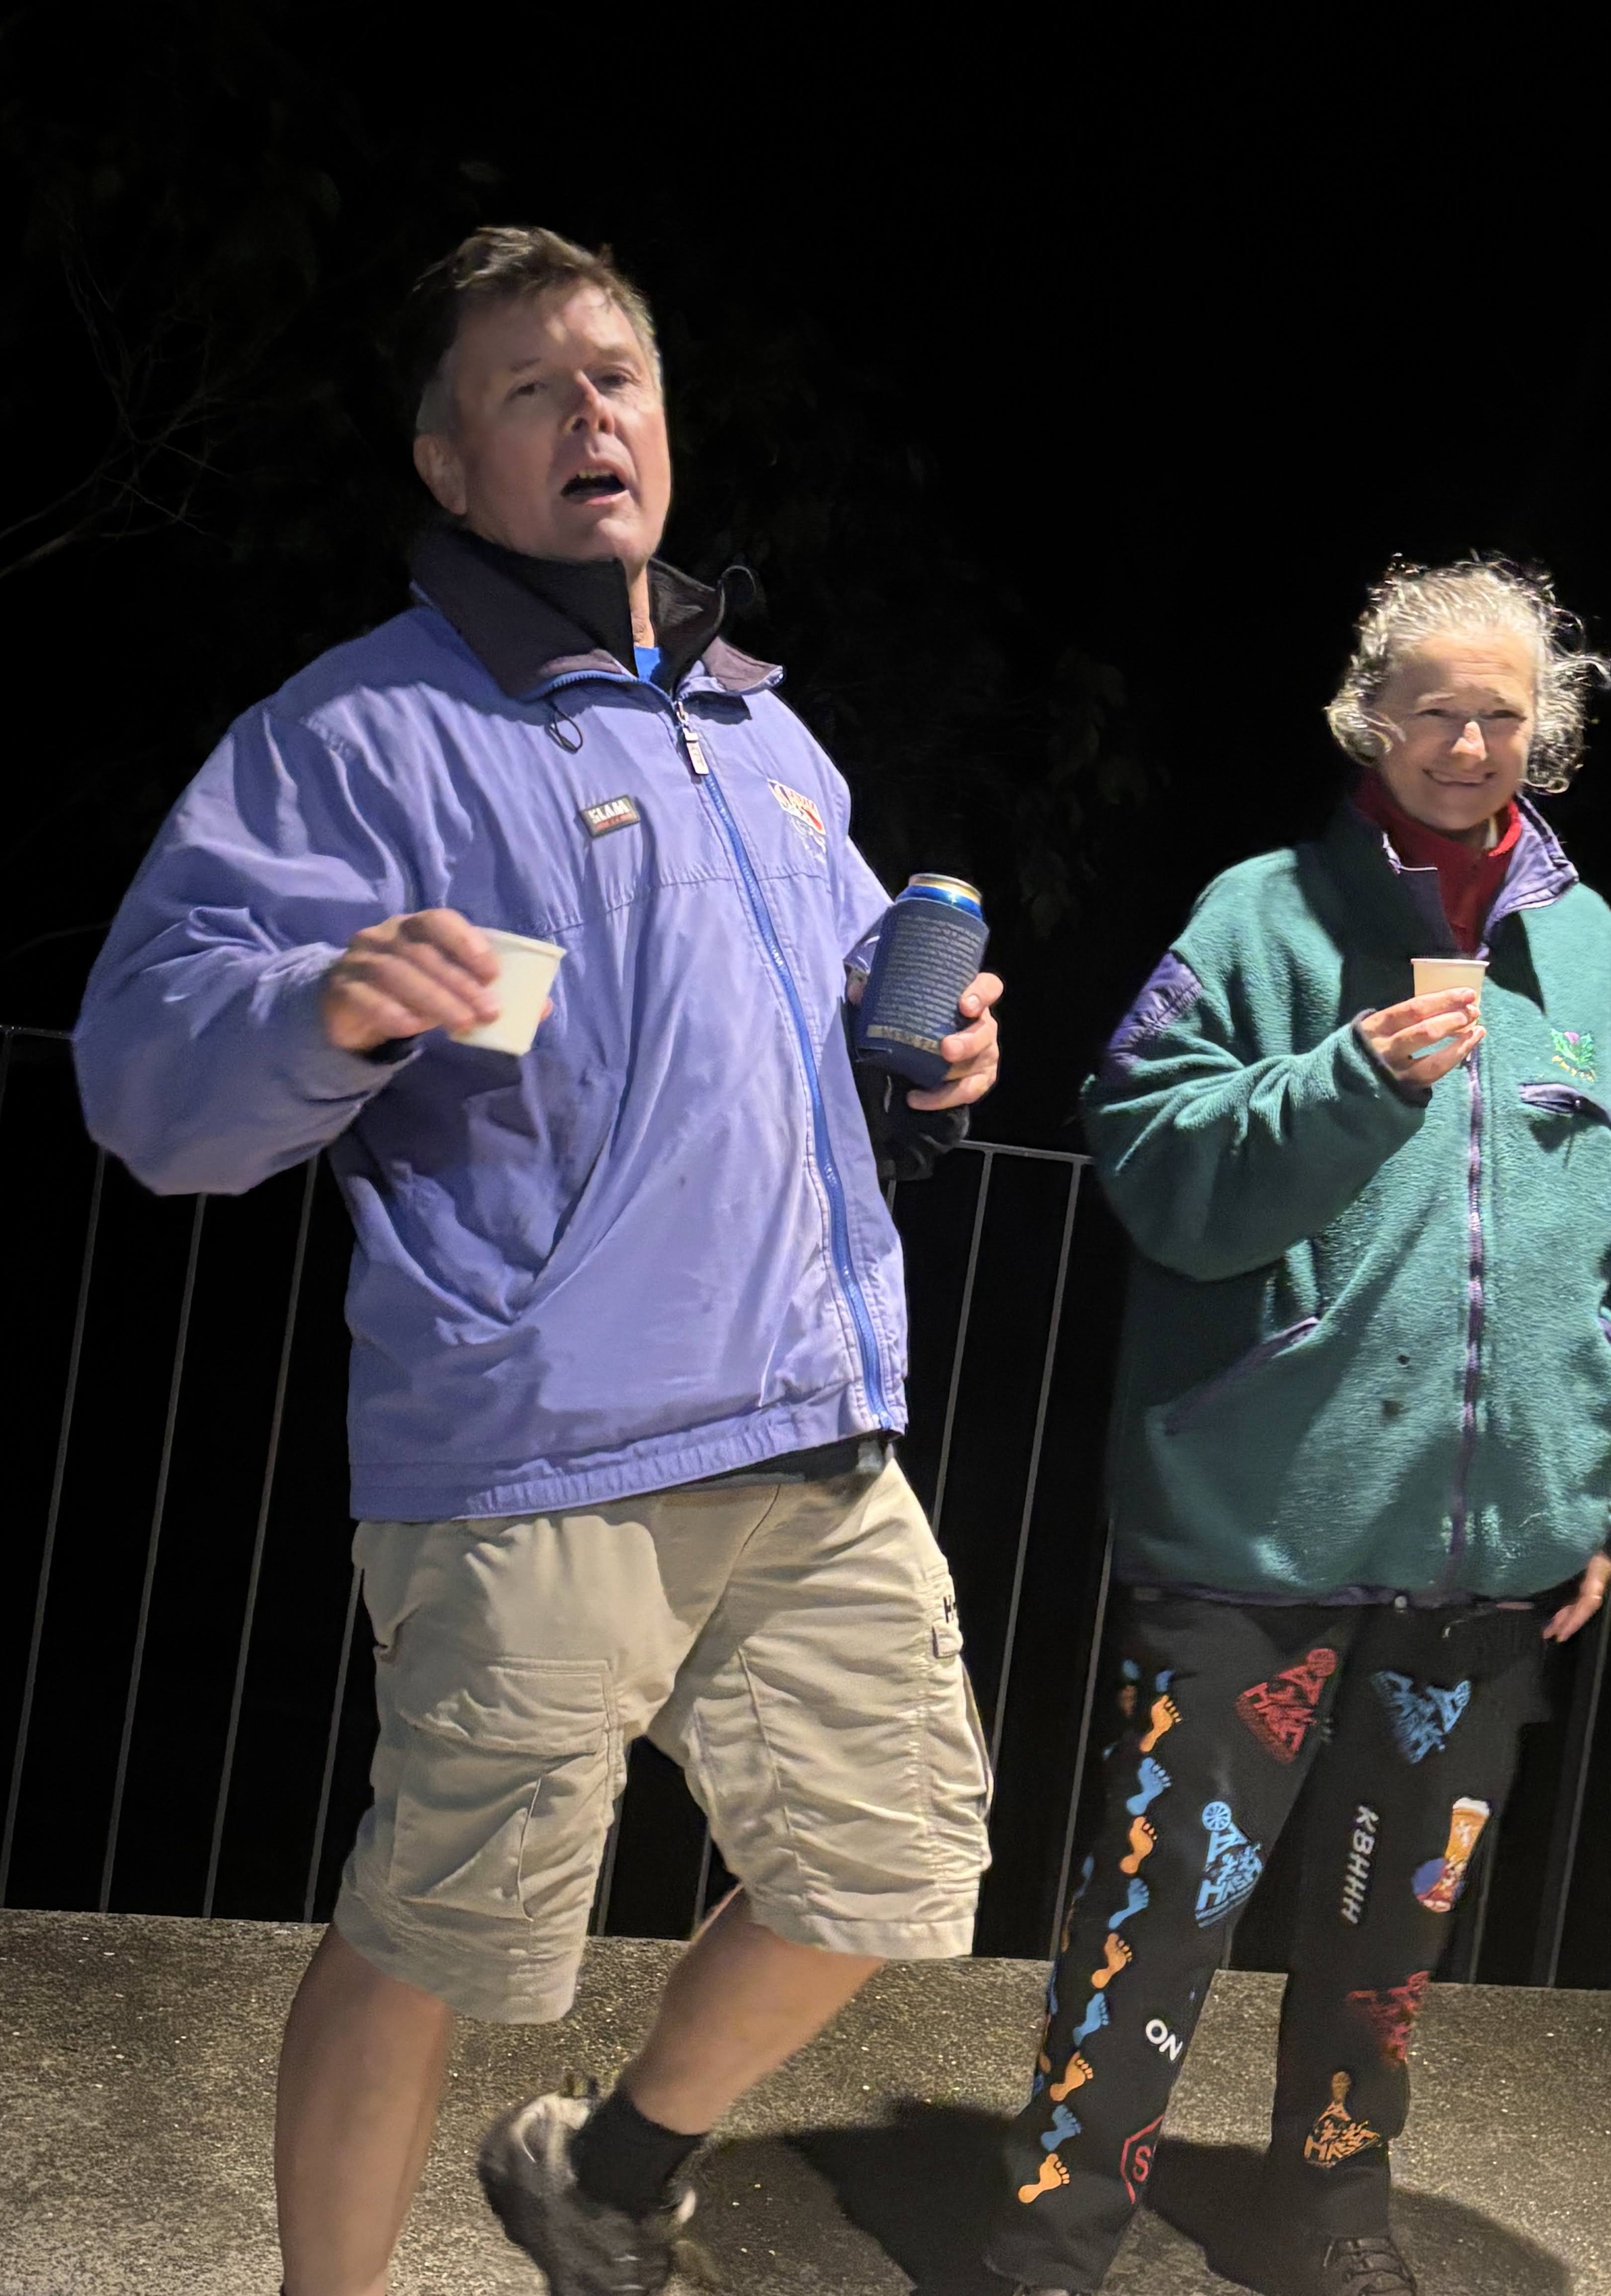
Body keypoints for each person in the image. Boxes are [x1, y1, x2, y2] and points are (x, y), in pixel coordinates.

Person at [75, 226, 1001, 2296]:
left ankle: (608, 2170)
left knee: (891, 1862)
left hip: (814, 1427)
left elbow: (841, 1031)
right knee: (440, 1935)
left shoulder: (769, 741)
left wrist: (938, 1055)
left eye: (618, 377)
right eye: (531, 387)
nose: (593, 412)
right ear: (448, 463)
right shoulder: (356, 735)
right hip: (536, 1445)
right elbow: (144, 1072)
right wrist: (319, 1008)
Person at [984, 559, 1611, 2296]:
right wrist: (1350, 1079)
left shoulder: (1592, 953)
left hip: (1491, 1560)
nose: (1466, 742)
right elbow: (1154, 1168)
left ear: (1547, 733)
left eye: (1502, 714)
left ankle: (1330, 2207)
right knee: (1161, 1911)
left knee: (1393, 1936)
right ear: (1367, 717)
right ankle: (1055, 2233)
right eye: (1432, 708)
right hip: (1254, 1538)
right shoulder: (1257, 917)